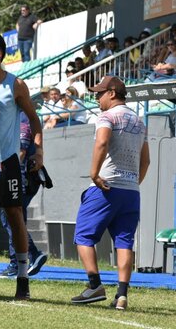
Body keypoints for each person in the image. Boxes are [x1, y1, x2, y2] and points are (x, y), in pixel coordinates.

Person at [72, 76, 150, 311]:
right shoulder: (139, 121)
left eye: (100, 93)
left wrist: (94, 174)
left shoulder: (106, 117)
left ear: (112, 93)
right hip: (131, 191)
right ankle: (122, 295)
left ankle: (95, 285)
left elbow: (102, 143)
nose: (97, 98)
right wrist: (134, 183)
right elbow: (146, 161)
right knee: (125, 242)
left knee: (83, 236)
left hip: (105, 187)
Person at [0, 29, 44, 300]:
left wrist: (38, 150)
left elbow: (34, 118)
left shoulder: (15, 85)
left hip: (6, 161)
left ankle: (23, 279)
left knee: (15, 216)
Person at [0, 112, 48, 278]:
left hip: (20, 177)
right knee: (12, 218)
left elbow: (21, 151)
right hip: (21, 176)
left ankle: (23, 259)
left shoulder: (22, 118)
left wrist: (5, 172)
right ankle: (27, 256)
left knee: (11, 217)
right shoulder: (21, 117)